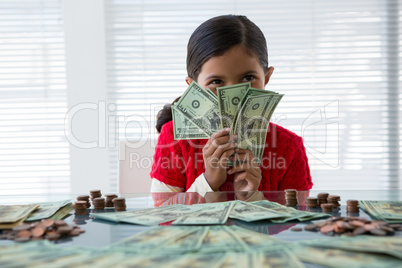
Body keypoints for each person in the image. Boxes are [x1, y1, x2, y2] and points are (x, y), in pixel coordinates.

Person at [150, 15, 313, 196]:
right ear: (193, 87)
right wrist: (208, 183)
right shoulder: (173, 138)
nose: (235, 94)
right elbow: (162, 216)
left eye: (248, 78)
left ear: (266, 77)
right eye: (217, 81)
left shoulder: (289, 147)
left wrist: (251, 198)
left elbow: (298, 220)